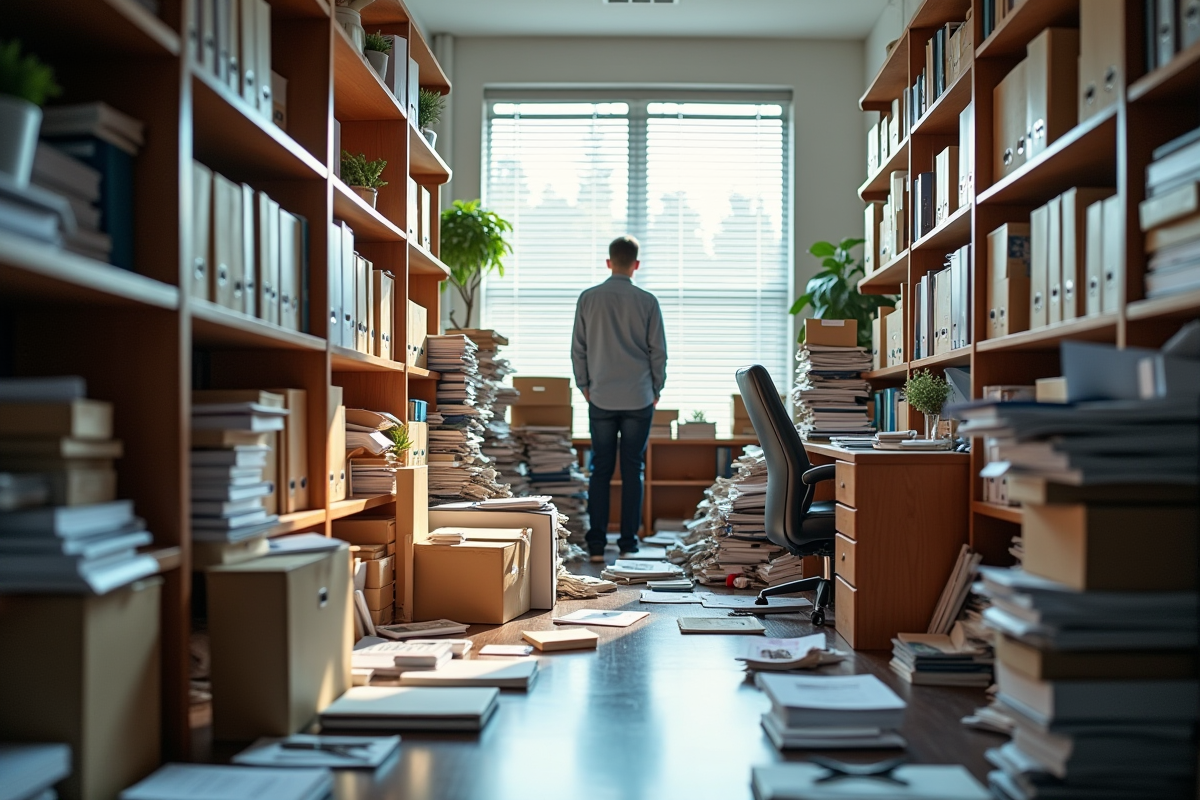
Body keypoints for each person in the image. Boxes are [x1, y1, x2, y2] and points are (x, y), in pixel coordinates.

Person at [571, 235, 667, 562]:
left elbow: (578, 349)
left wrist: (584, 384)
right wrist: (656, 388)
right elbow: (659, 352)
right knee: (633, 470)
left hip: (600, 395)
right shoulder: (648, 301)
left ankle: (596, 545)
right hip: (639, 396)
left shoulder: (588, 298)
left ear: (609, 262)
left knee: (599, 469)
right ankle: (628, 543)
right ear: (636, 265)